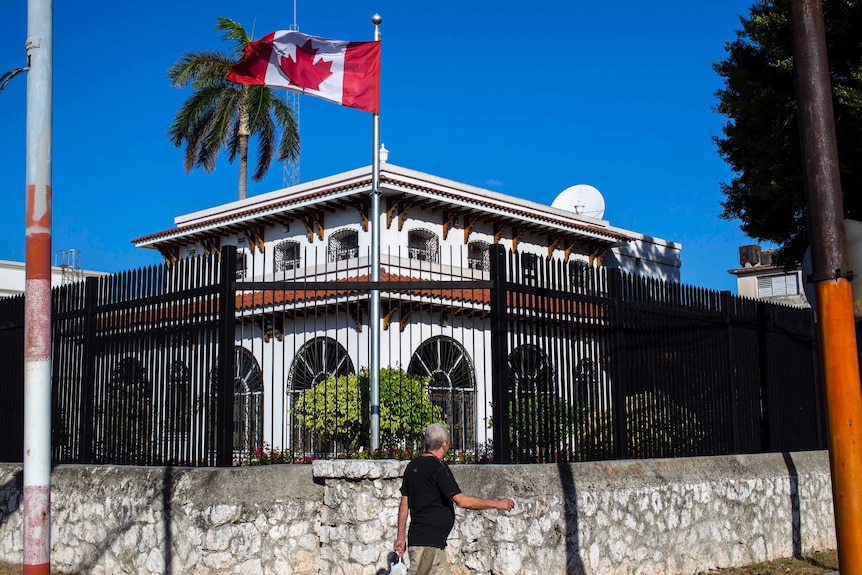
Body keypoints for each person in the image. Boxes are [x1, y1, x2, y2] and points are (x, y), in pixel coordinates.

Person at [394, 423, 515, 575]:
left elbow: (404, 504)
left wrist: (400, 537)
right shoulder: (438, 467)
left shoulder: (412, 466)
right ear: (444, 444)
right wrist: (497, 504)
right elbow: (461, 501)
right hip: (426, 546)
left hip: (433, 545)